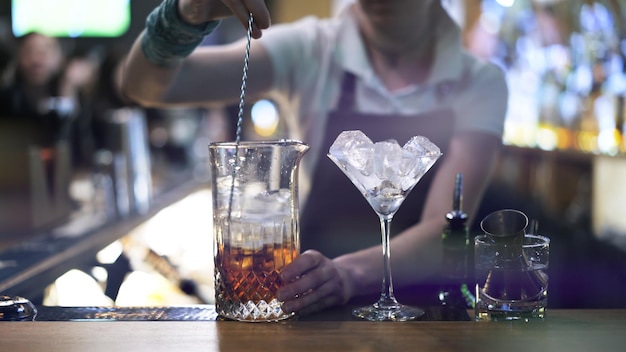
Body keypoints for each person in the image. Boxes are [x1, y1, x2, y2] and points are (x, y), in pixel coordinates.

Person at [122, 0, 508, 316]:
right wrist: (183, 14)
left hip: (424, 317)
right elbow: (143, 86)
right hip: (307, 307)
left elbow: (443, 235)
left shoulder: (479, 82)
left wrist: (345, 276)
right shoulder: (310, 49)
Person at [0, 32, 98, 166]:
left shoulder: (71, 94)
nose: (36, 59)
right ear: (19, 57)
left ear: (59, 58)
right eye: (29, 51)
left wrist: (67, 96)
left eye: (44, 52)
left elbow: (82, 154)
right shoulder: (8, 100)